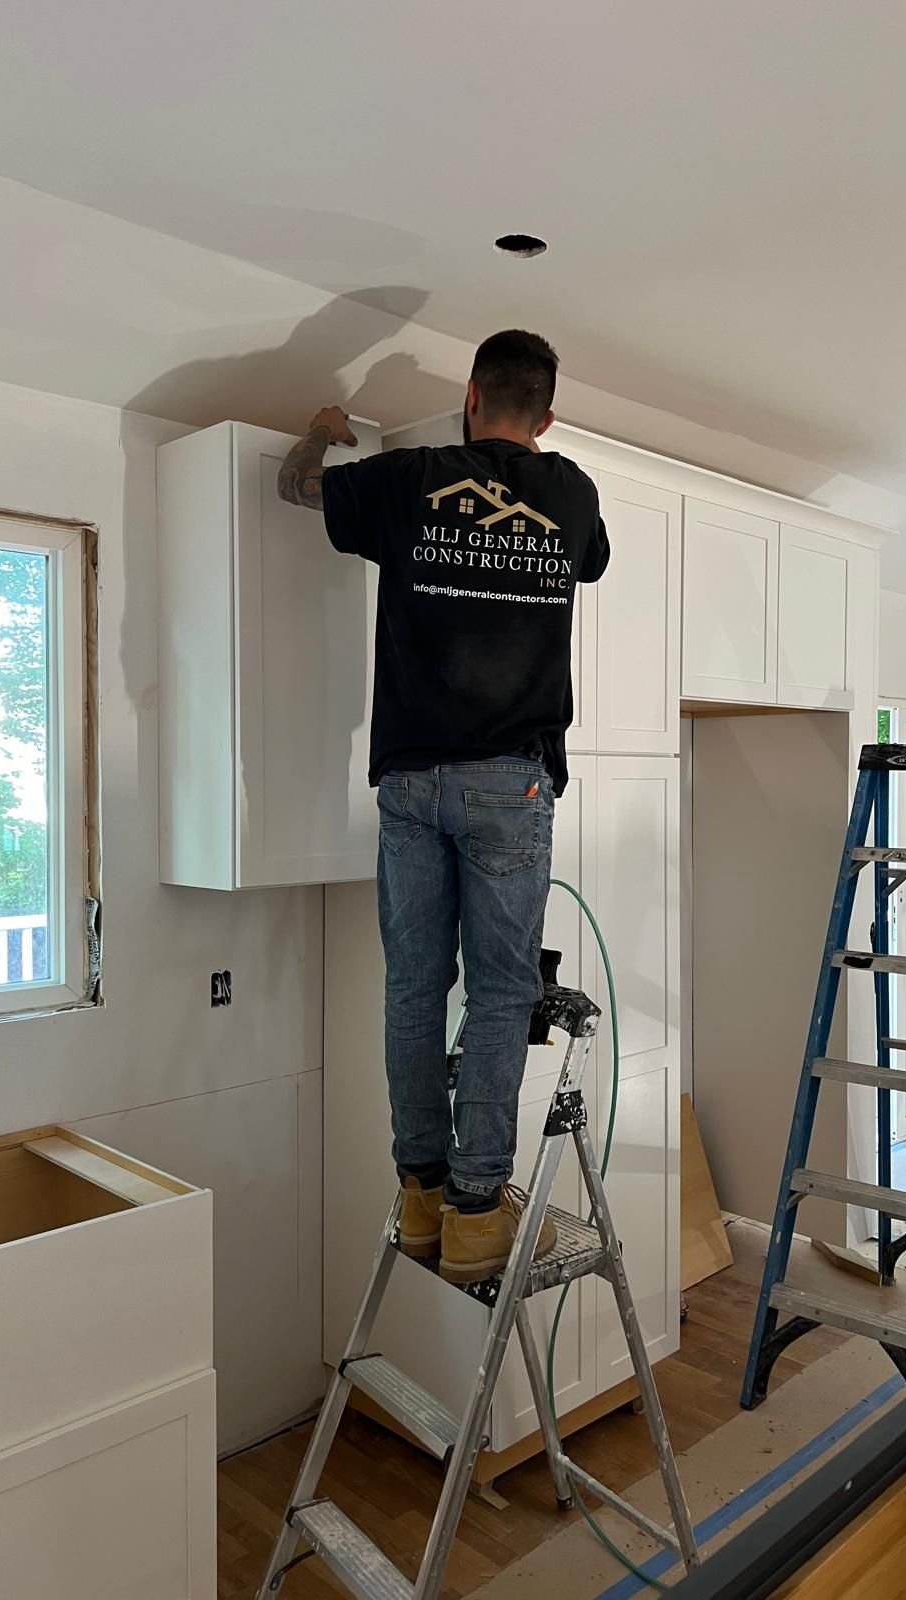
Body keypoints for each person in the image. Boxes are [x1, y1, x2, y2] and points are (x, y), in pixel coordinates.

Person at [279, 330, 610, 1282]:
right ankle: (475, 1210)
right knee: (502, 992)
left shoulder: (408, 479)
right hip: (510, 780)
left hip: (412, 779)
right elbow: (587, 563)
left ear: (471, 397)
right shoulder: (571, 492)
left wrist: (321, 427)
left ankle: (420, 1192)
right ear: (545, 418)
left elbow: (300, 487)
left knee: (415, 986)